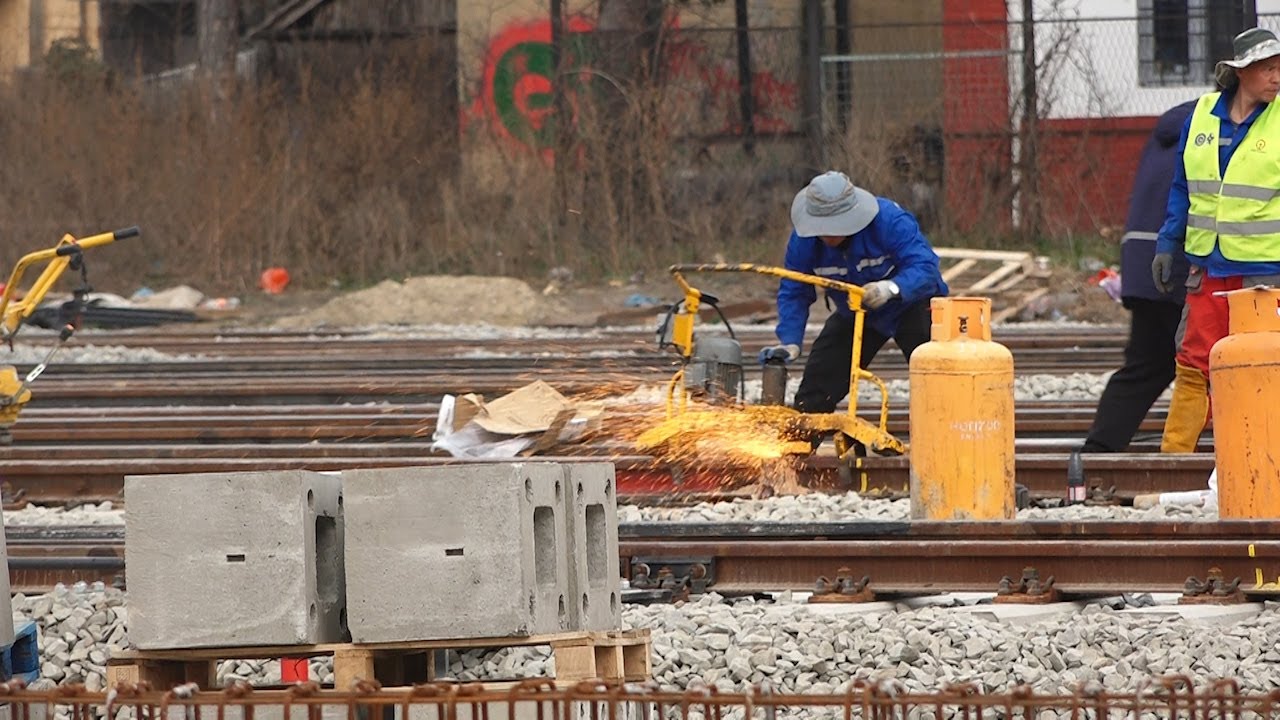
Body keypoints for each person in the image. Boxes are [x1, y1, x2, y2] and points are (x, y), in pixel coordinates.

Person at [1152, 27, 1280, 453]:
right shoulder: (1203, 115)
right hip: (1206, 267)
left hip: (1264, 274)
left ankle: (1260, 456)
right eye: (1268, 68)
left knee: (1261, 367)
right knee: (1193, 364)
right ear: (1242, 72)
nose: (1277, 77)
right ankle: (1176, 460)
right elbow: (1183, 187)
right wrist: (1167, 244)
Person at [759, 170, 949, 424]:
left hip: (911, 303)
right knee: (813, 393)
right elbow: (795, 290)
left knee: (937, 379)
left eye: (833, 227)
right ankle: (800, 443)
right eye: (820, 228)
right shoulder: (803, 242)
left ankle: (945, 430)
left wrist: (891, 289)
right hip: (857, 311)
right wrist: (790, 340)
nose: (827, 235)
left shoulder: (889, 220)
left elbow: (925, 267)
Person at [1078, 100, 1196, 453]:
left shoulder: (1169, 129)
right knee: (1211, 365)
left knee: (1147, 366)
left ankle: (1097, 454)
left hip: (1142, 259)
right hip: (1182, 263)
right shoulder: (1223, 127)